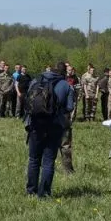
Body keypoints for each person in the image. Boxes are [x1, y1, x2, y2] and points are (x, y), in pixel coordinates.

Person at [24, 61, 75, 198]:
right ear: (63, 72)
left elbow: (28, 101)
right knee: (48, 160)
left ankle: (31, 191)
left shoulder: (36, 80)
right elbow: (70, 107)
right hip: (54, 125)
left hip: (35, 124)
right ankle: (44, 193)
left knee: (34, 159)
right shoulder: (66, 85)